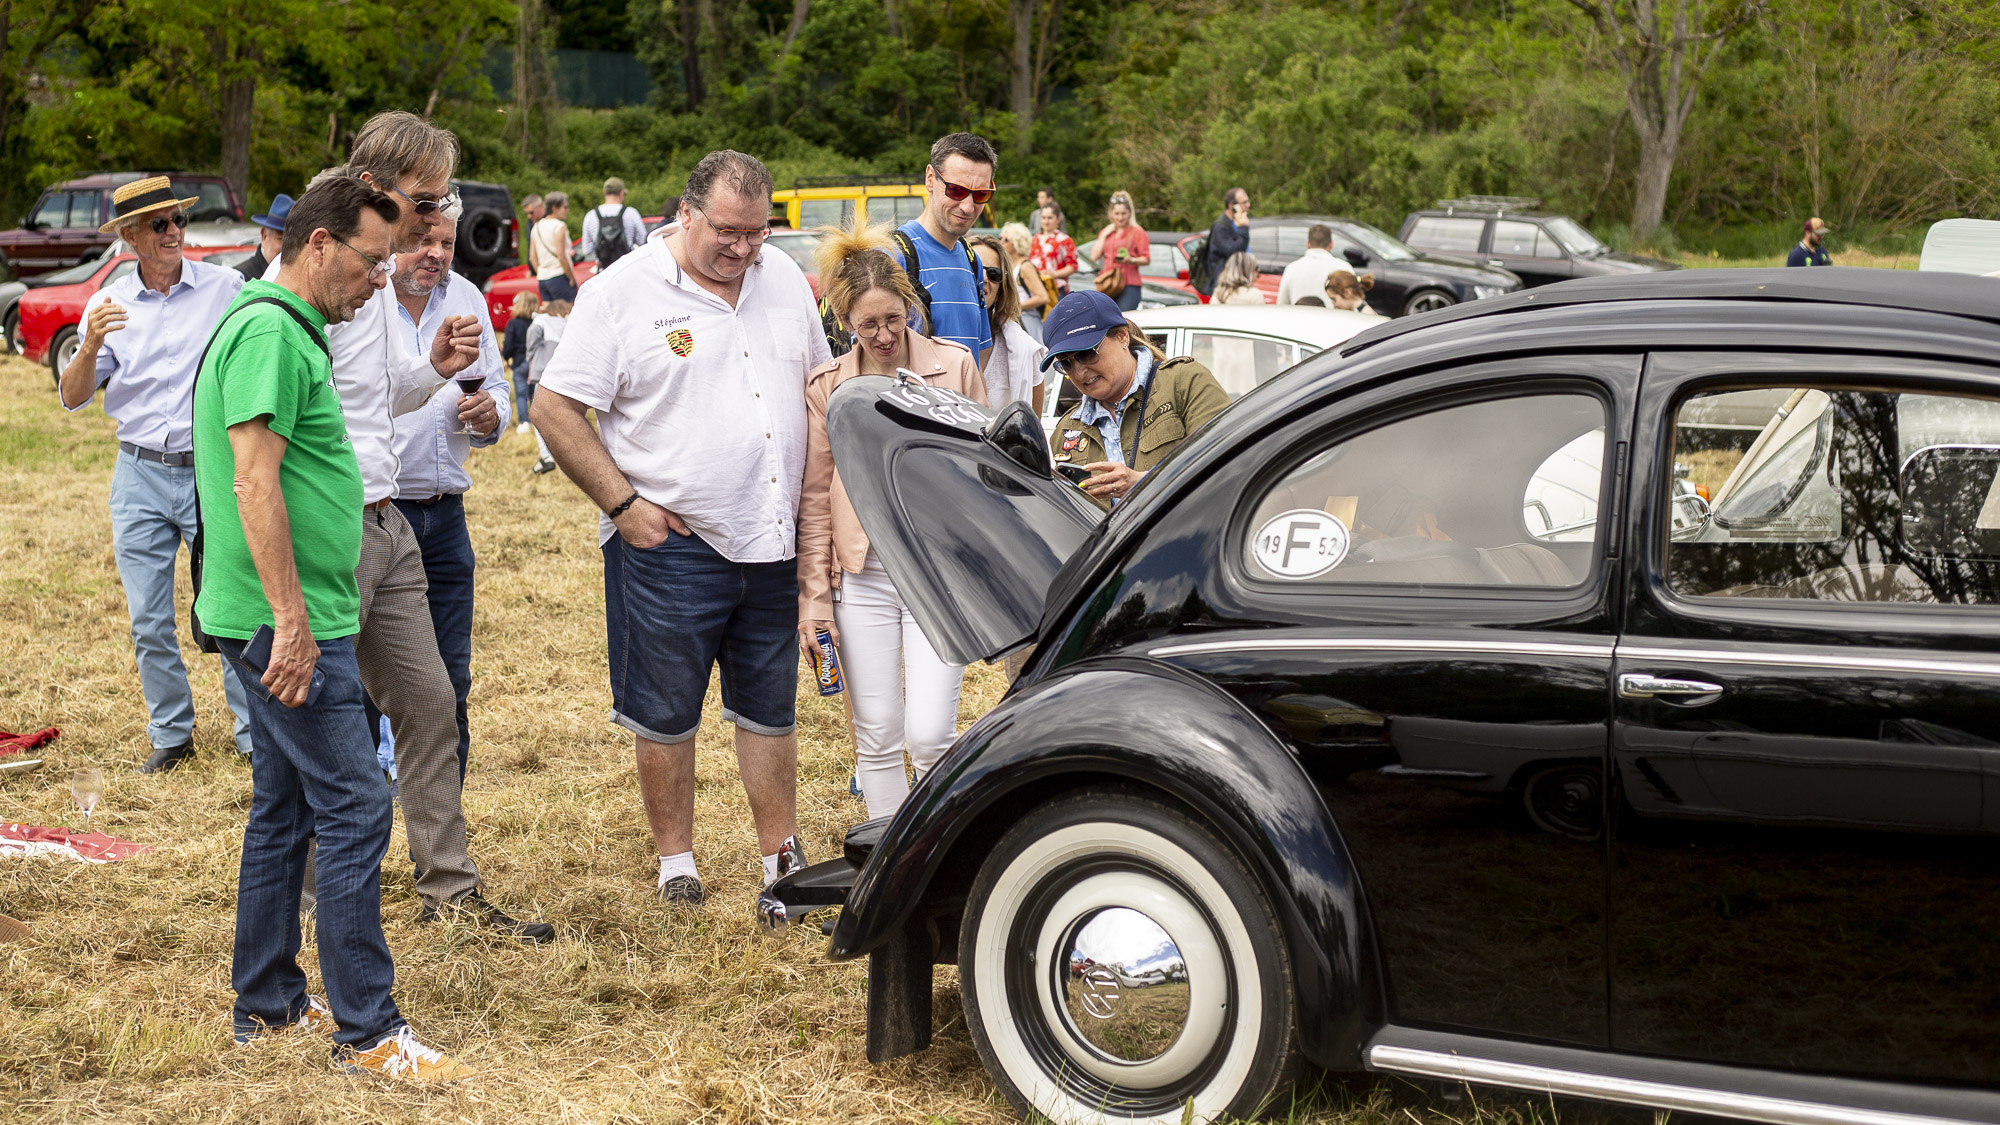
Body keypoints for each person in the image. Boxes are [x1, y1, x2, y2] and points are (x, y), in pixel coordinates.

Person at [195, 172, 466, 1079]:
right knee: (355, 802)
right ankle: (369, 1027)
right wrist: (291, 620)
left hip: (292, 609)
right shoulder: (273, 331)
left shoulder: (289, 328)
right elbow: (252, 480)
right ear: (318, 245)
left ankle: (268, 1002)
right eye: (371, 260)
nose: (381, 280)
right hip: (286, 618)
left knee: (285, 802)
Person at [272, 112, 550, 942]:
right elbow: (278, 423)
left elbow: (371, 397)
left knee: (430, 702)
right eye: (428, 199)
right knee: (327, 719)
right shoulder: (334, 268)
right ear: (380, 187)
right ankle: (308, 895)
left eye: (443, 202)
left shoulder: (382, 272)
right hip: (335, 526)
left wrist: (431, 371)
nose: (439, 218)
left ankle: (450, 890)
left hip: (389, 523)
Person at [532, 150, 831, 908]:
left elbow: (819, 391)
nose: (742, 248)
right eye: (727, 231)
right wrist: (623, 506)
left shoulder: (786, 283)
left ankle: (780, 862)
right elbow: (554, 409)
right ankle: (677, 864)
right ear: (686, 214)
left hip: (772, 537)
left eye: (757, 234)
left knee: (770, 705)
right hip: (673, 545)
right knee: (666, 710)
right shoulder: (623, 292)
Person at [57, 175, 255, 773]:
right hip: (138, 471)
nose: (174, 233)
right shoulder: (106, 306)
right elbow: (71, 397)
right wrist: (87, 346)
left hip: (210, 471)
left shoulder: (226, 289)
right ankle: (172, 735)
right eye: (159, 225)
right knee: (148, 617)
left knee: (230, 606)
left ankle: (253, 736)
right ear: (129, 237)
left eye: (178, 221)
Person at [797, 225, 986, 820]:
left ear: (911, 308)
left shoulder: (954, 368)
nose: (882, 335)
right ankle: (887, 861)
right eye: (866, 325)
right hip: (865, 577)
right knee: (876, 735)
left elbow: (985, 475)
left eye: (893, 319)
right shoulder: (828, 386)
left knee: (931, 735)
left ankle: (940, 852)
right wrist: (815, 597)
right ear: (844, 321)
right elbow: (816, 496)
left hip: (936, 577)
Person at [384, 213, 511, 796]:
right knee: (370, 687)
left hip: (446, 520)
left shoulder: (465, 297)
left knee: (449, 680)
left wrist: (492, 416)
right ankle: (363, 833)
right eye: (422, 240)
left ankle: (441, 831)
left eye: (446, 243)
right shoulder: (363, 300)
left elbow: (496, 386)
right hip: (379, 517)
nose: (435, 254)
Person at [1042, 289, 1229, 508]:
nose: (1079, 372)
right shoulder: (1066, 431)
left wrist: (1145, 483)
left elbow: (1227, 464)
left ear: (1122, 336)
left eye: (1086, 353)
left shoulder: (1184, 381)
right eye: (1066, 363)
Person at [890, 132, 996, 367]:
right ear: (930, 178)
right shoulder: (893, 256)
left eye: (981, 195)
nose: (968, 207)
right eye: (956, 191)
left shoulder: (972, 260)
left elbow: (979, 355)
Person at [970, 233, 1046, 412]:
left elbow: (1032, 430)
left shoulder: (1028, 351)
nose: (985, 278)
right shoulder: (930, 339)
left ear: (1002, 288)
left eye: (994, 273)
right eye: (976, 269)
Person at [523, 298, 571, 474]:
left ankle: (546, 456)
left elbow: (531, 338)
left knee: (538, 416)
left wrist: (531, 357)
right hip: (566, 376)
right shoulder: (570, 323)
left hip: (544, 375)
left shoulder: (541, 320)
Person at [1095, 191, 1150, 312]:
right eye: (1117, 213)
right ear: (1111, 213)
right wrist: (1104, 235)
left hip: (1129, 284)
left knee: (1123, 318)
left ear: (1129, 213)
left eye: (1123, 213)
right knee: (1106, 321)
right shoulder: (1107, 231)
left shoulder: (1138, 232)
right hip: (1108, 283)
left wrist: (1131, 259)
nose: (1120, 217)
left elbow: (1146, 259)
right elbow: (1094, 256)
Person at [581, 177, 645, 272]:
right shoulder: (631, 213)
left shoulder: (591, 216)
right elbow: (643, 241)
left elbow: (587, 249)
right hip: (627, 269)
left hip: (604, 272)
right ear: (621, 193)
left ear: (604, 193)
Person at [999, 222, 1047, 341]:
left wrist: (1014, 306)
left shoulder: (1025, 266)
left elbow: (1042, 297)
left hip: (1028, 324)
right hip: (1016, 322)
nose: (1001, 242)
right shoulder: (1010, 265)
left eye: (1005, 239)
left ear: (1016, 243)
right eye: (1001, 238)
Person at [500, 291, 540, 435]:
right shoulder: (537, 322)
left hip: (520, 362)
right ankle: (538, 422)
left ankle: (524, 422)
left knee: (521, 394)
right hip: (535, 364)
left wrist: (506, 357)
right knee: (534, 395)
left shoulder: (513, 324)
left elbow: (508, 346)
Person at [1199, 187, 1250, 299]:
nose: (1248, 205)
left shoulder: (1237, 222)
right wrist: (1243, 229)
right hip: (1223, 286)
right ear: (1232, 206)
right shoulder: (1221, 227)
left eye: (1248, 201)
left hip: (1236, 282)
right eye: (1244, 202)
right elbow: (1234, 252)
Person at [1276, 223, 1341, 306]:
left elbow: (1282, 305)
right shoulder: (1343, 268)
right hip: (1334, 318)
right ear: (1331, 244)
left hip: (1300, 318)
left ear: (1307, 244)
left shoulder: (1292, 268)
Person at [531, 191, 576, 302]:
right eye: (565, 207)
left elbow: (532, 257)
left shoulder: (536, 226)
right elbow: (561, 255)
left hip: (543, 279)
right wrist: (570, 277)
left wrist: (541, 272)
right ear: (555, 208)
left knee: (549, 315)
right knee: (568, 313)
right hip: (559, 275)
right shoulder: (559, 226)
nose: (567, 210)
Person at [236, 194, 291, 282]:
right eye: (282, 239)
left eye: (294, 242)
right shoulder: (241, 279)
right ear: (264, 235)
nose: (289, 248)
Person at [1029, 205, 1077, 297]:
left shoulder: (1064, 239)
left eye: (1050, 218)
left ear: (1058, 219)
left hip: (1057, 288)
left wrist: (1053, 274)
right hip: (1037, 288)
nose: (1046, 222)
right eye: (1043, 218)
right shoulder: (1035, 238)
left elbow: (1072, 266)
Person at [520, 194, 544, 275]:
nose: (529, 216)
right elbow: (530, 247)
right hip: (535, 271)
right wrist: (531, 269)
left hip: (547, 272)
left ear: (540, 206)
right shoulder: (530, 222)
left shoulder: (550, 222)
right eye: (527, 213)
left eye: (531, 212)